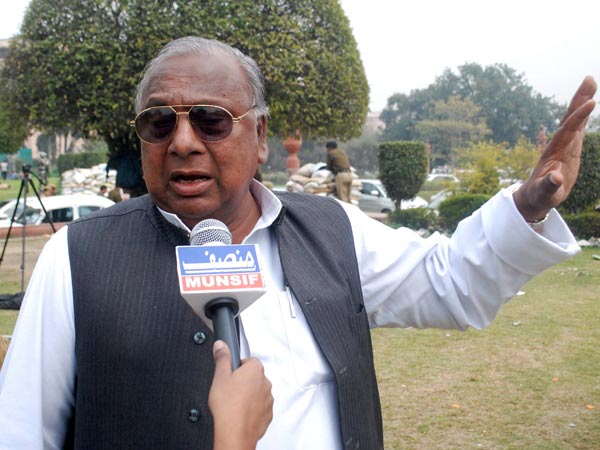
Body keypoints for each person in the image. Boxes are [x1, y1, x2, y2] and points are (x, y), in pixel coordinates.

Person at [0, 35, 595, 450]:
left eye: (210, 120)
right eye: (159, 122)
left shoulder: (333, 230)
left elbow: (453, 284)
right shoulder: (76, 260)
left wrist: (528, 205)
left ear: (260, 136)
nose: (182, 142)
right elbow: (20, 434)